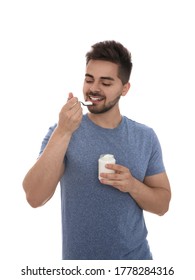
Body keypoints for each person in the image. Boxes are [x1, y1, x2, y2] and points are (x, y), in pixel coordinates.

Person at [23, 40, 171, 260]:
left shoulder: (145, 137)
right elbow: (34, 197)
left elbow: (163, 204)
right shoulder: (61, 131)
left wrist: (132, 185)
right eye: (89, 79)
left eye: (106, 82)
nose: (93, 89)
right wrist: (64, 131)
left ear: (125, 88)